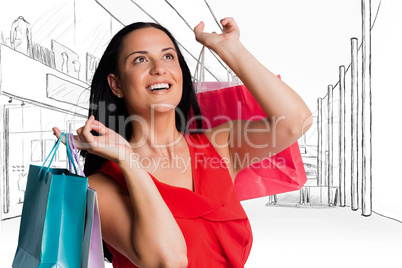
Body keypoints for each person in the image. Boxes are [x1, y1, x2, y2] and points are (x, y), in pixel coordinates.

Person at [53, 17, 312, 268]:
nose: (159, 68)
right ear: (116, 84)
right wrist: (129, 160)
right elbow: (168, 261)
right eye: (140, 60)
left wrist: (230, 49)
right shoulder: (99, 187)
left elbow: (295, 121)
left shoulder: (219, 146)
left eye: (168, 56)